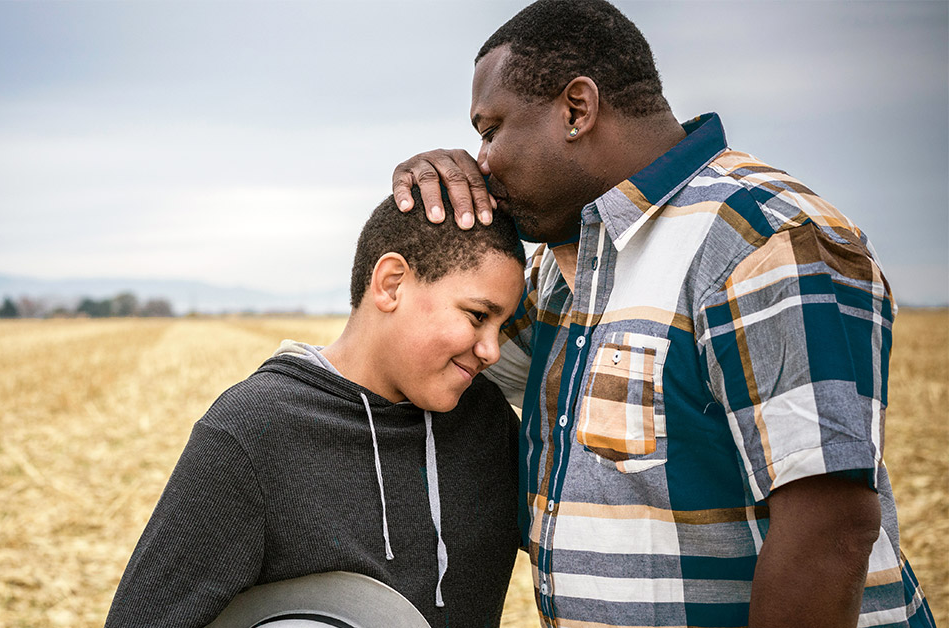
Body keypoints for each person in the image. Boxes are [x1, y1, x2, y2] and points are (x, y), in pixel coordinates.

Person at [389, 1, 934, 627]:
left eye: (491, 131)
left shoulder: (763, 239)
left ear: (577, 109)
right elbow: (429, 362)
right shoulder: (561, 269)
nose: (481, 161)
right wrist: (428, 213)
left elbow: (832, 531)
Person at [104, 190, 527, 628]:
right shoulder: (254, 430)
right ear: (391, 283)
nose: (492, 350)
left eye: (502, 325)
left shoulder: (486, 421)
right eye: (478, 316)